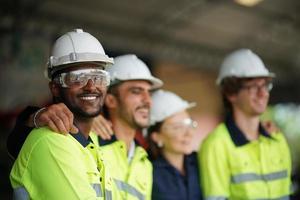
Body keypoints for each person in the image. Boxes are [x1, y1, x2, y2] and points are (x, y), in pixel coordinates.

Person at [7, 54, 163, 200]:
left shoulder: (144, 160)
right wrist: (33, 116)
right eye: (136, 91)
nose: (148, 100)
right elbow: (22, 146)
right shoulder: (84, 141)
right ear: (110, 100)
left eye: (149, 93)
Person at [9, 29, 116, 199]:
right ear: (55, 88)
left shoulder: (92, 146)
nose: (90, 86)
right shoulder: (51, 141)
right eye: (77, 78)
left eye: (98, 76)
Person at [198, 48, 292, 199]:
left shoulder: (277, 139)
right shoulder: (216, 145)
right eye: (254, 87)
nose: (263, 93)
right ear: (231, 93)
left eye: (265, 85)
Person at [147, 89, 203, 200]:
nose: (188, 133)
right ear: (157, 137)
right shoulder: (148, 172)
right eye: (177, 127)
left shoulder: (200, 163)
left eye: (189, 124)